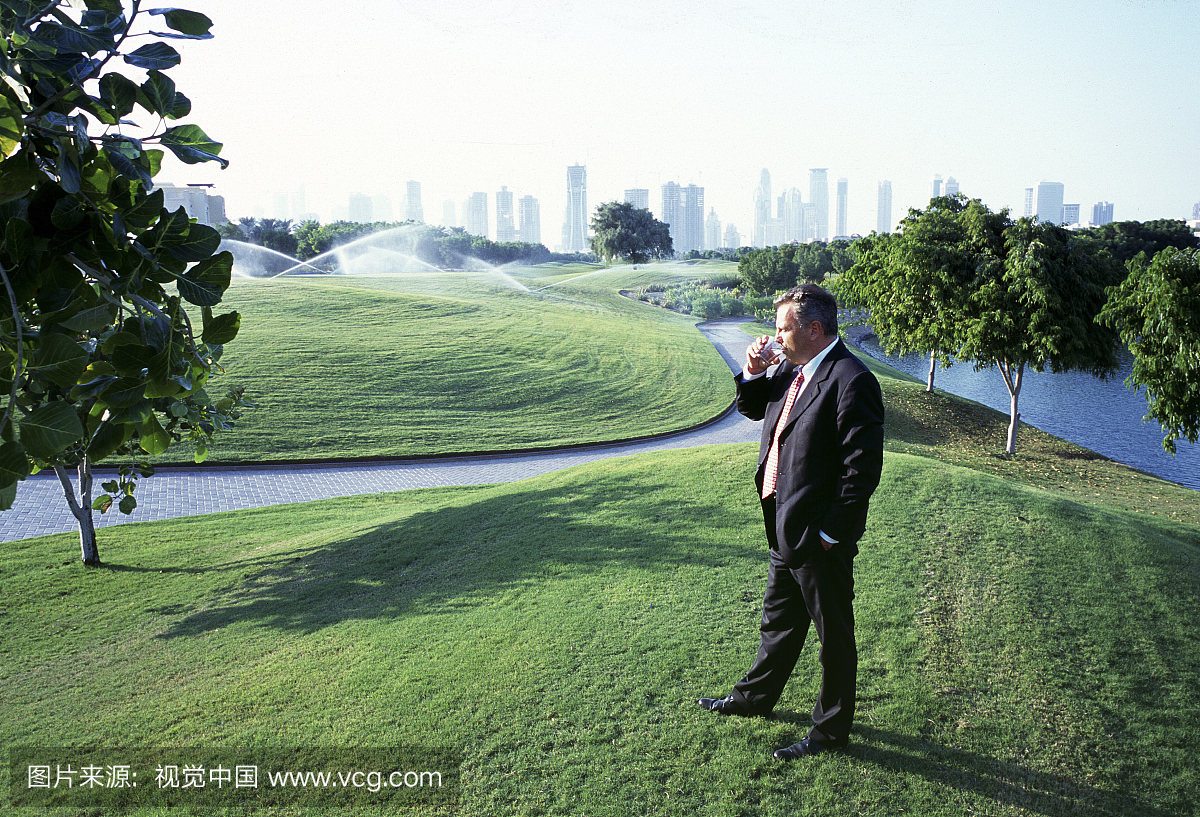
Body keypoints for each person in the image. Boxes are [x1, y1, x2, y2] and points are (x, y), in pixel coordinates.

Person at [698, 283, 884, 760]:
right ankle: (752, 700)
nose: (775, 336)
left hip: (818, 537)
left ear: (814, 329)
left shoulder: (852, 380)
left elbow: (861, 471)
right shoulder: (789, 369)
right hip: (784, 525)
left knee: (833, 638)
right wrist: (753, 371)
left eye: (782, 328)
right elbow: (752, 407)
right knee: (778, 623)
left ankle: (829, 734)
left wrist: (829, 534)